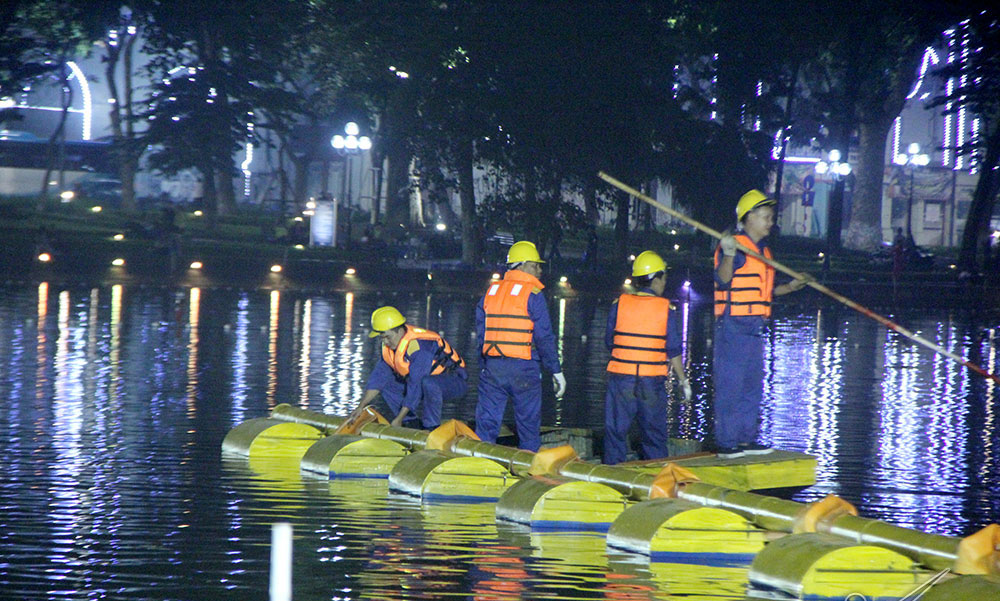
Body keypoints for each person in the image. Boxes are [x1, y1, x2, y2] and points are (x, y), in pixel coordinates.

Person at [713, 190, 809, 458]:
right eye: (765, 217)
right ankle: (726, 443)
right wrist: (730, 254)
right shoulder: (733, 245)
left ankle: (745, 439)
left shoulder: (763, 250)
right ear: (748, 218)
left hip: (755, 326)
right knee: (731, 386)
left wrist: (790, 286)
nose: (770, 222)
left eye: (770, 218)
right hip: (733, 324)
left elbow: (764, 292)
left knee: (752, 386)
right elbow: (722, 279)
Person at [475, 240, 566, 451]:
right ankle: (528, 471)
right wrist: (556, 371)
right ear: (523, 265)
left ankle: (477, 467)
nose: (540, 270)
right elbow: (544, 337)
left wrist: (484, 364)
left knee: (486, 424)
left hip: (493, 367)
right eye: (536, 265)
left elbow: (482, 333)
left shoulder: (491, 292)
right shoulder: (533, 295)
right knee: (528, 425)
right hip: (524, 368)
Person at [603, 250, 691, 465]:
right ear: (656, 279)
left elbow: (608, 341)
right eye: (664, 278)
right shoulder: (666, 309)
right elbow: (673, 350)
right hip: (651, 382)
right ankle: (655, 479)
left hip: (621, 379)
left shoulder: (619, 304)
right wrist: (683, 381)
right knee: (654, 435)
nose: (664, 283)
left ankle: (612, 476)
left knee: (615, 433)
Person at [349, 306, 467, 428]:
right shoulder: (390, 349)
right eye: (382, 338)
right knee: (387, 384)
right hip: (424, 383)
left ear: (399, 331)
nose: (385, 342)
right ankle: (410, 422)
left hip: (453, 381)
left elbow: (415, 383)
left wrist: (398, 417)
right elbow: (378, 379)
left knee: (428, 383)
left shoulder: (420, 347)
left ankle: (431, 427)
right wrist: (360, 407)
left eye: (388, 337)